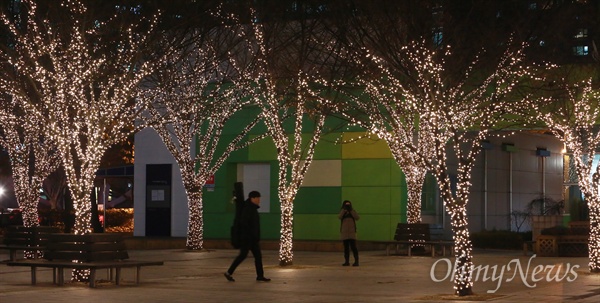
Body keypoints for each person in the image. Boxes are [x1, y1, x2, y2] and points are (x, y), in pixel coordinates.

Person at [224, 191, 271, 282]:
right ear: (252, 198)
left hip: (252, 238)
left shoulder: (252, 208)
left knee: (257, 256)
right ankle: (229, 272)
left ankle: (260, 276)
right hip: (248, 238)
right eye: (257, 198)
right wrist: (249, 235)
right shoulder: (248, 209)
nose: (259, 200)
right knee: (243, 256)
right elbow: (244, 223)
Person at [338, 200, 360, 266]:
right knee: (346, 248)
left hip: (351, 233)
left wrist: (351, 210)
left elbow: (357, 217)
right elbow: (339, 217)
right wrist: (343, 210)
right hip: (345, 233)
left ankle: (356, 261)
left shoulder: (352, 211)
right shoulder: (343, 211)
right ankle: (346, 261)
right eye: (346, 205)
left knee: (354, 248)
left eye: (348, 205)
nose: (347, 206)